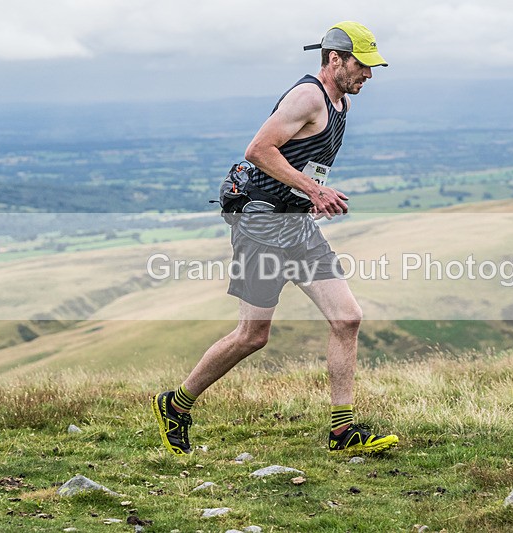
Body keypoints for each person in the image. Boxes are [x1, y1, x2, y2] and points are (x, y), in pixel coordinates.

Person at [151, 21, 398, 457]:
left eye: (372, 67)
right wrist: (314, 190)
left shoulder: (340, 102)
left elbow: (299, 160)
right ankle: (176, 404)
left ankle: (342, 432)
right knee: (253, 335)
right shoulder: (307, 97)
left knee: (347, 318)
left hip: (295, 223)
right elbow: (258, 150)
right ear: (335, 59)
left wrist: (307, 196)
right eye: (362, 65)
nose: (369, 75)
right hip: (261, 223)